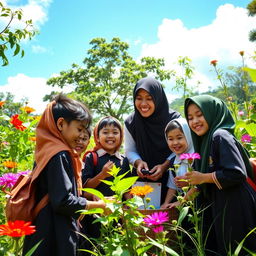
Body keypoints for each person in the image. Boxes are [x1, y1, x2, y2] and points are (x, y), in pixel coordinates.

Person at [22, 94, 107, 256]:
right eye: (79, 129)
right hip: (53, 234)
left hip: (44, 231)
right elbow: (62, 201)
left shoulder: (47, 150)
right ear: (61, 124)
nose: (82, 135)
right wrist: (99, 206)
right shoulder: (59, 154)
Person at [183, 94, 256, 255]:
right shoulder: (204, 142)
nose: (194, 121)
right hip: (223, 205)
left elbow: (236, 173)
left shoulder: (220, 136)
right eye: (190, 117)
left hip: (236, 205)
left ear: (212, 112)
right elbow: (204, 179)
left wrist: (202, 178)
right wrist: (185, 198)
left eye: (200, 114)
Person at [124, 77, 180, 203]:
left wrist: (165, 166)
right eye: (139, 98)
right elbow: (129, 150)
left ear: (158, 99)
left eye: (149, 98)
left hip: (172, 179)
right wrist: (138, 163)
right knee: (142, 218)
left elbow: (182, 149)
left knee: (169, 219)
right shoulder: (130, 122)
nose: (143, 104)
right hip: (142, 181)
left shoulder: (175, 119)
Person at [81, 116, 131, 246]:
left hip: (118, 212)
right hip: (96, 214)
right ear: (97, 137)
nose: (110, 135)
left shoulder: (123, 160)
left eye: (115, 132)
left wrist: (130, 206)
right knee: (97, 244)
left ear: (121, 136)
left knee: (117, 244)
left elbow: (127, 188)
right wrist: (102, 175)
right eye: (105, 132)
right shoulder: (92, 157)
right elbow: (84, 188)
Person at [161, 118, 194, 209]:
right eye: (170, 139)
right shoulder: (173, 162)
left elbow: (199, 186)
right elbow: (172, 186)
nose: (175, 143)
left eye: (179, 138)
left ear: (188, 136)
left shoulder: (197, 157)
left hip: (198, 206)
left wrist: (182, 201)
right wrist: (166, 203)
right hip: (183, 207)